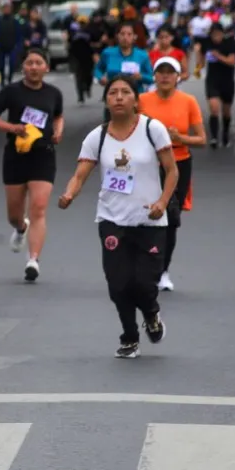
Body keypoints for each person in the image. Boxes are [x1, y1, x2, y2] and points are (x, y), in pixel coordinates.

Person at [58, 75, 178, 358]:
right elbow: (80, 174)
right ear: (106, 101)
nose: (120, 97)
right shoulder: (96, 137)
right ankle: (129, 337)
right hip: (112, 219)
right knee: (118, 284)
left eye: (126, 92)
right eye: (113, 93)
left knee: (145, 283)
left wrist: (162, 201)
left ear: (136, 100)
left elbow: (172, 170)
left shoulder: (153, 129)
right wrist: (69, 194)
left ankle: (151, 313)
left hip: (149, 220)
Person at [0, 47, 65, 282]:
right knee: (14, 214)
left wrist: (58, 131)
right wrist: (13, 129)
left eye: (39, 63)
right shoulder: (11, 92)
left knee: (39, 208)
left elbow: (58, 116)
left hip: (43, 155)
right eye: (30, 63)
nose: (34, 67)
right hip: (16, 155)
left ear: (47, 68)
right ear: (23, 67)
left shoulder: (54, 93)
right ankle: (20, 228)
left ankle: (33, 260)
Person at [138, 57, 206, 291]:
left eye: (170, 72)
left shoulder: (188, 101)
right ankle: (143, 265)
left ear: (178, 77)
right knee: (143, 217)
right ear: (154, 76)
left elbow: (201, 139)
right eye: (161, 72)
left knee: (169, 220)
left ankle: (163, 271)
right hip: (147, 165)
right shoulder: (142, 100)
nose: (165, 76)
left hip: (178, 165)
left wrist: (180, 139)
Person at [198, 23, 235, 148]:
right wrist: (198, 64)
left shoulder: (230, 43)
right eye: (213, 34)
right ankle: (214, 137)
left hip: (227, 81)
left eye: (218, 34)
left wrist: (218, 56)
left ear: (222, 33)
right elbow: (201, 62)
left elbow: (232, 62)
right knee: (214, 108)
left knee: (226, 111)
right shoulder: (207, 43)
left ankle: (225, 134)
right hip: (212, 80)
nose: (216, 37)